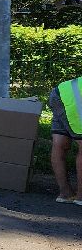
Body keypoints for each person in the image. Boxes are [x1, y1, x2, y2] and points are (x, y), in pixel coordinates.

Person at [49, 76, 82, 204]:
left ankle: (65, 194)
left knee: (60, 144)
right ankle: (81, 197)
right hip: (75, 99)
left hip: (60, 92)